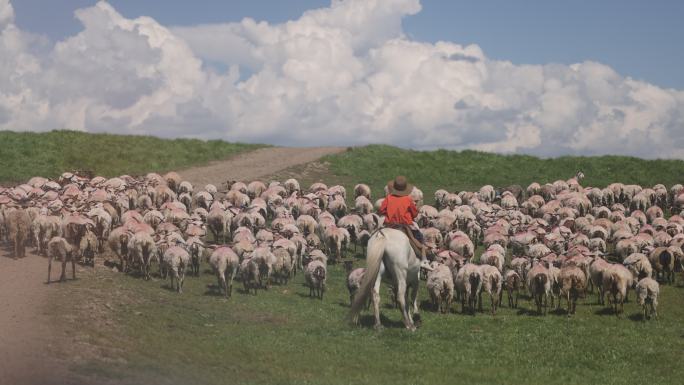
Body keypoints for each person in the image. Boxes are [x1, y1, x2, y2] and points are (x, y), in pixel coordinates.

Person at [378, 176, 429, 263]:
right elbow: (415, 213)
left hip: (389, 226)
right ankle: (424, 260)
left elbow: (381, 210)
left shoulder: (388, 198)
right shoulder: (408, 199)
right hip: (404, 226)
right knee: (419, 238)